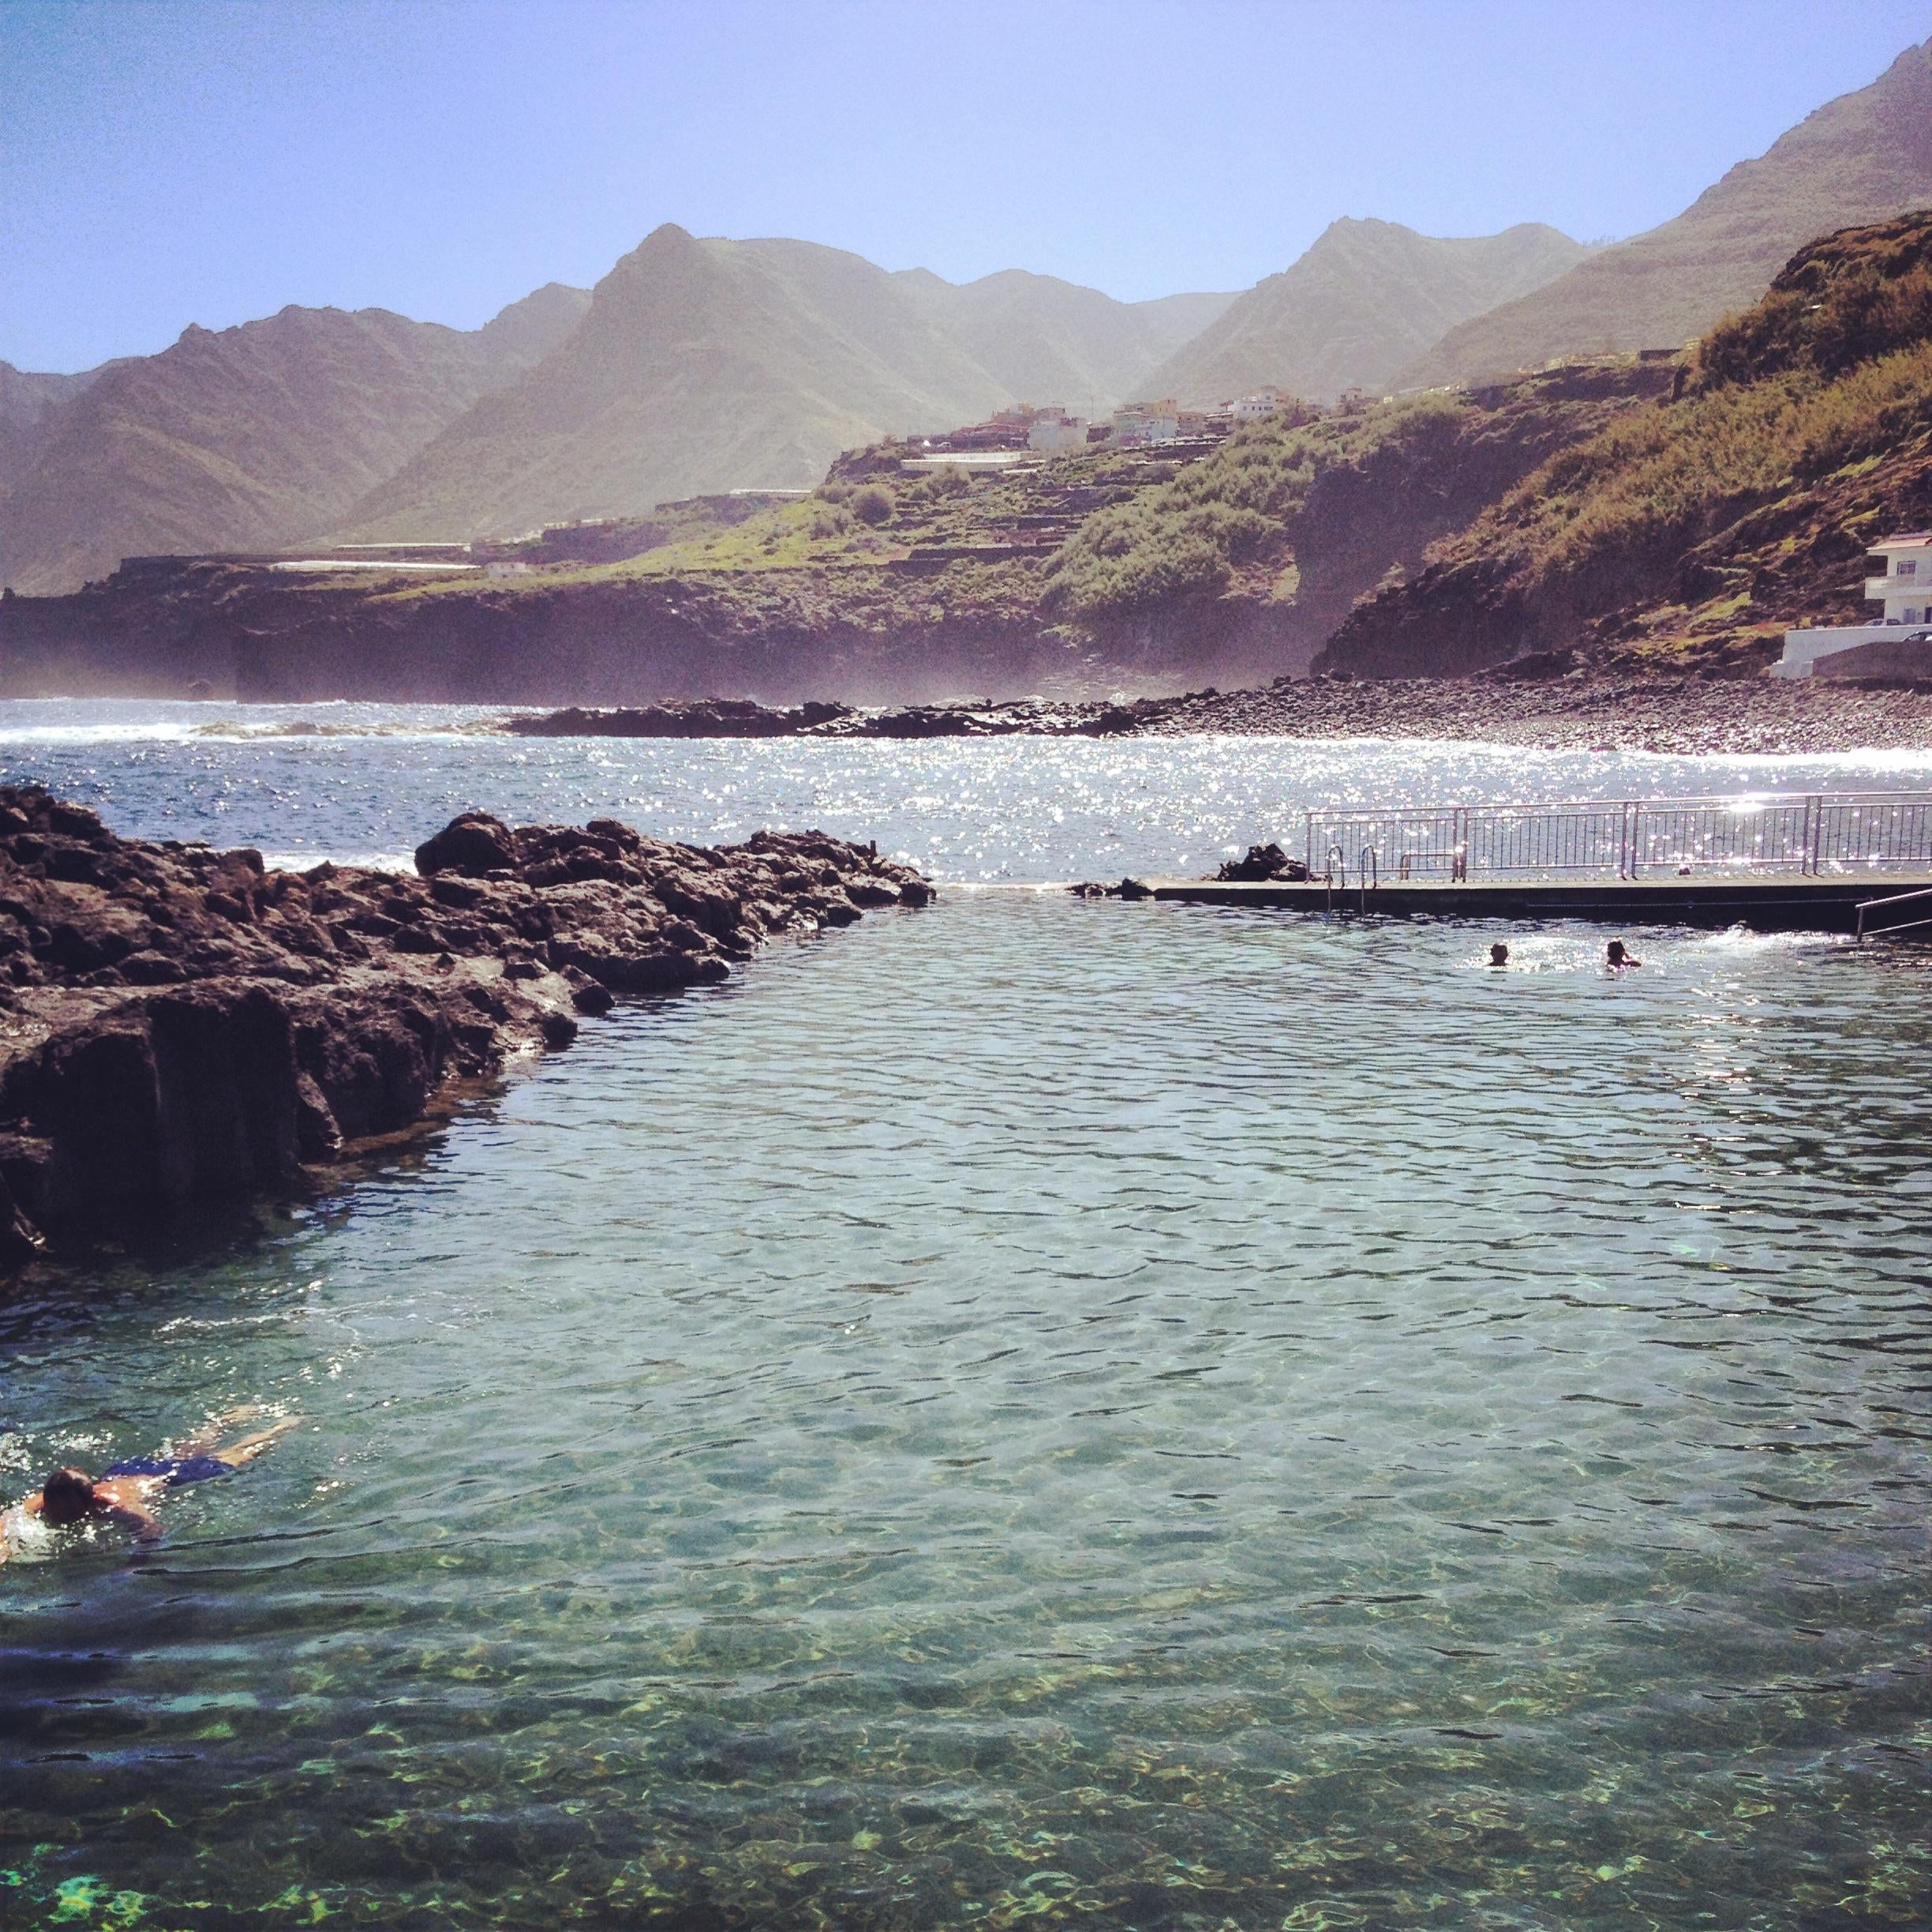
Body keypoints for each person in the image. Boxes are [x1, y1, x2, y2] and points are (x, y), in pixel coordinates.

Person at [1, 1408, 294, 1564]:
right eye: (54, 1509)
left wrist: (132, 1565)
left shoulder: (118, 1505)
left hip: (161, 1479)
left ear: (89, 1502)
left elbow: (152, 1530)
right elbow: (7, 1519)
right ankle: (224, 1420)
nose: (56, 1516)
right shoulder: (53, 1495)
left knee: (232, 1457)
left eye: (65, 1512)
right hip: (124, 1470)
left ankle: (278, 1428)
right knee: (182, 1450)